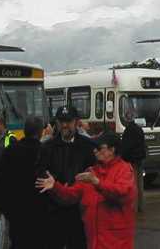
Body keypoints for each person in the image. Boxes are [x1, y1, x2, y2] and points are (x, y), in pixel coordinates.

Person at [37, 132, 137, 249]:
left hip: (116, 243)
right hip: (94, 242)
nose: (95, 151)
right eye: (94, 148)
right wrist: (55, 186)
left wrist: (97, 183)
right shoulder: (91, 172)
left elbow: (123, 193)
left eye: (99, 148)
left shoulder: (124, 170)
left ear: (112, 150)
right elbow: (71, 195)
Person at [38, 106, 97, 249]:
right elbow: (41, 174)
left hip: (79, 212)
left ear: (76, 122)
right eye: (61, 121)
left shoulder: (88, 146)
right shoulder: (47, 148)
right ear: (57, 123)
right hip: (54, 211)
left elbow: (95, 173)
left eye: (68, 121)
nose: (64, 125)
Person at [0, 117, 50, 249]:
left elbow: (0, 179)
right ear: (40, 132)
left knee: (17, 241)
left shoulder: (10, 151)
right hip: (38, 209)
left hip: (15, 209)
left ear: (25, 131)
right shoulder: (44, 151)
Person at [118, 109, 147, 212]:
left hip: (132, 161)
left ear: (126, 119)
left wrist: (122, 158)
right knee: (140, 184)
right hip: (140, 159)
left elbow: (126, 148)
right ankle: (141, 206)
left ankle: (133, 208)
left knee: (133, 184)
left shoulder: (128, 131)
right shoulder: (139, 129)